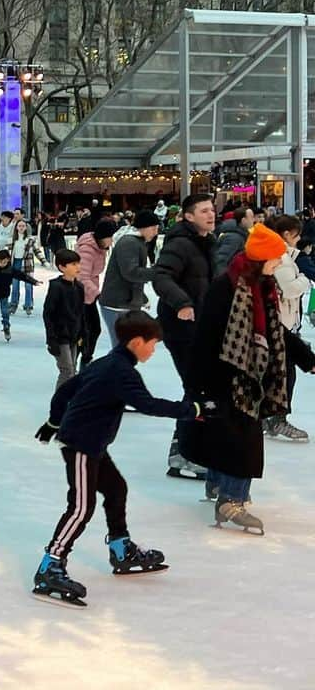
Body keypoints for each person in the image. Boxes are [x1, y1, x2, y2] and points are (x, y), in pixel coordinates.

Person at [31, 310, 199, 606]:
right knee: (81, 507)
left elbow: (65, 391)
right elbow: (146, 404)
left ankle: (121, 549)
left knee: (116, 488)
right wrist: (191, 411)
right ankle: (50, 565)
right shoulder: (121, 371)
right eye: (153, 343)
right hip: (82, 444)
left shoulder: (107, 363)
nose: (154, 349)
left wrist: (54, 422)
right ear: (136, 342)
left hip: (91, 442)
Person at [182, 223, 315, 534]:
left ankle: (218, 486)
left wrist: (306, 359)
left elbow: (275, 331)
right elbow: (205, 336)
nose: (279, 264)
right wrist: (199, 384)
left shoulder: (261, 287)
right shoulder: (226, 288)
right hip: (227, 375)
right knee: (243, 440)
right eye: (275, 259)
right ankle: (231, 500)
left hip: (247, 374)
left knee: (230, 435)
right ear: (260, 259)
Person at [152, 192, 218, 481]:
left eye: (212, 210)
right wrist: (182, 303)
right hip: (182, 329)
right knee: (198, 388)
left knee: (200, 388)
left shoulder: (207, 243)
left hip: (201, 328)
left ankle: (189, 450)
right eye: (203, 210)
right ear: (188, 216)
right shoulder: (180, 243)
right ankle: (183, 456)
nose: (210, 214)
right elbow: (161, 276)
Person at [265, 214, 311, 441]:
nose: (299, 238)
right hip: (281, 323)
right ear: (286, 234)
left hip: (284, 322)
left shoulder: (285, 255)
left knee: (282, 372)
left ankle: (272, 416)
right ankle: (277, 418)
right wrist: (304, 279)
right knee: (284, 373)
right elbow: (290, 288)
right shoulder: (280, 257)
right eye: (296, 234)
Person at [99, 210, 159, 348]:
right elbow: (131, 273)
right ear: (144, 227)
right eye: (154, 228)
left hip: (122, 303)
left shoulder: (135, 242)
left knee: (124, 349)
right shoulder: (130, 242)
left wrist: (140, 297)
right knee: (123, 349)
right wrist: (158, 272)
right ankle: (105, 370)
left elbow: (129, 276)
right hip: (117, 305)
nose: (156, 232)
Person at [75, 220, 116, 367]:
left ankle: (85, 359)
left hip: (88, 296)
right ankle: (79, 361)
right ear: (102, 236)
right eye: (110, 237)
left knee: (92, 330)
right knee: (86, 331)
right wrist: (98, 294)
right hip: (80, 296)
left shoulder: (100, 248)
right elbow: (81, 277)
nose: (112, 242)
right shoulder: (87, 250)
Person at [42, 248, 85, 388]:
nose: (78, 267)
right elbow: (48, 314)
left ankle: (69, 402)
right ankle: (59, 404)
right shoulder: (56, 287)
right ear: (62, 267)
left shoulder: (79, 287)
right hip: (60, 336)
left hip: (74, 334)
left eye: (78, 263)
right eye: (73, 264)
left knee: (72, 370)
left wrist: (83, 333)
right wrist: (51, 339)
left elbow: (80, 312)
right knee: (67, 371)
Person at [10, 217, 44, 315]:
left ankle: (28, 305)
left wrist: (43, 261)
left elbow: (37, 251)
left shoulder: (30, 240)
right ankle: (13, 304)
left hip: (27, 264)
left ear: (26, 228)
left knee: (28, 285)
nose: (21, 228)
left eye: (23, 226)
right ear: (16, 227)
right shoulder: (12, 240)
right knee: (15, 286)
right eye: (19, 226)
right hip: (15, 263)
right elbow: (7, 252)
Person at [213, 207, 254, 275]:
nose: (254, 219)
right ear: (243, 220)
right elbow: (220, 260)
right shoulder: (234, 238)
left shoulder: (241, 234)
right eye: (251, 217)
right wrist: (224, 280)